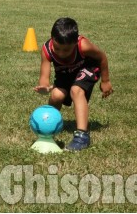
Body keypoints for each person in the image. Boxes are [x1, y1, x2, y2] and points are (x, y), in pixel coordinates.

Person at [34, 17, 113, 151]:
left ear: (75, 43)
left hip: (88, 67)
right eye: (57, 48)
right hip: (66, 73)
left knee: (76, 90)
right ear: (52, 38)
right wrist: (44, 87)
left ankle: (82, 136)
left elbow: (102, 57)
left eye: (66, 50)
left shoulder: (84, 46)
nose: (61, 53)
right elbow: (44, 77)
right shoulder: (47, 50)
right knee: (56, 95)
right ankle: (49, 126)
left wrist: (105, 81)